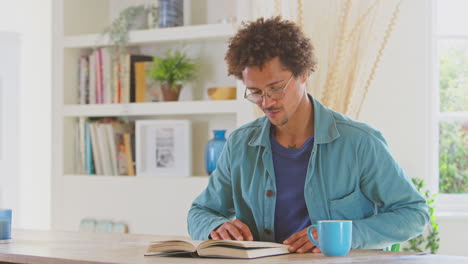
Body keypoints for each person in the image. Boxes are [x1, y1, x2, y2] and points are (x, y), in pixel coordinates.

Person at [187, 16, 429, 254]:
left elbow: (414, 214)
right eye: (255, 92)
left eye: (276, 88)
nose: (266, 101)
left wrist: (346, 234)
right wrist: (215, 226)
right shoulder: (240, 145)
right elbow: (200, 212)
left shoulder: (359, 142)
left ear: (303, 74)